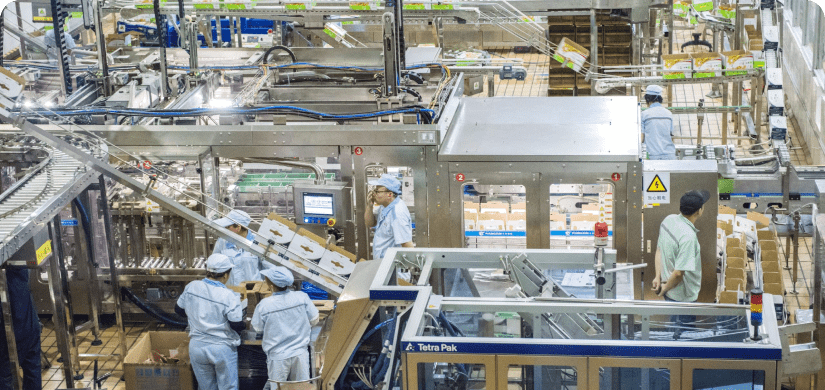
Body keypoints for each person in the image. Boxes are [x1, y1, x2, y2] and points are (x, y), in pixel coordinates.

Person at [175, 254, 245, 390]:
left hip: (197, 347)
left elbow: (178, 309)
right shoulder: (228, 295)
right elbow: (236, 324)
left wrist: (196, 315)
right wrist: (245, 324)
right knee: (228, 387)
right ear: (225, 275)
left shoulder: (192, 286)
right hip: (221, 348)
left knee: (206, 387)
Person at [652, 190, 709, 339]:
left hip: (667, 287)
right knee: (684, 335)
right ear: (699, 211)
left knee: (674, 324)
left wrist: (658, 278)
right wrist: (664, 289)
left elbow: (659, 250)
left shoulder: (668, 220)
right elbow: (678, 274)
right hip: (682, 296)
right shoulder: (688, 237)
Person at [252, 267, 319, 388]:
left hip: (278, 358)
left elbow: (258, 328)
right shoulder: (301, 297)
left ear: (271, 283)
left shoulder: (265, 305)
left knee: (278, 388)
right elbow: (314, 319)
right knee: (301, 388)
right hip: (300, 354)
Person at [0, 269, 41, 390]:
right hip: (30, 322)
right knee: (32, 369)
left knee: (4, 374)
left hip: (10, 330)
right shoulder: (17, 261)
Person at [364, 174, 413, 260]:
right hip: (383, 264)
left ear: (389, 194)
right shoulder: (385, 206)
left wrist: (413, 264)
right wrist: (369, 205)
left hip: (393, 268)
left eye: (377, 191)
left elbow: (406, 244)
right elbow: (369, 223)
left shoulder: (397, 213)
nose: (374, 194)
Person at [213, 209, 262, 286]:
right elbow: (214, 267)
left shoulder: (257, 242)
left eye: (228, 226)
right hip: (230, 292)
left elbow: (269, 269)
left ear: (238, 228)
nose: (226, 229)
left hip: (252, 293)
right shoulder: (222, 241)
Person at [641, 85, 676, 160]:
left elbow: (641, 138)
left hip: (652, 156)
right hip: (670, 155)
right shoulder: (668, 113)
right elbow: (671, 135)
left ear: (647, 99)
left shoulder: (644, 114)